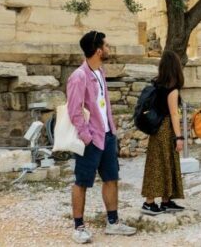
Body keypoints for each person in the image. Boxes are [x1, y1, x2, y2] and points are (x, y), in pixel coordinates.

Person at [66, 30, 136, 243]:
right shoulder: (78, 76)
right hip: (91, 139)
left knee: (111, 178)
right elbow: (74, 111)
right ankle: (78, 227)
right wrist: (86, 137)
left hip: (107, 135)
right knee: (82, 181)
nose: (108, 48)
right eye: (106, 46)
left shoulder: (100, 72)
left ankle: (113, 223)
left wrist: (112, 131)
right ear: (98, 50)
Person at [140, 51, 186, 215]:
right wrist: (179, 137)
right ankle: (149, 202)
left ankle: (166, 201)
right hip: (166, 129)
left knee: (160, 163)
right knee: (162, 164)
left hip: (157, 129)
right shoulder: (172, 89)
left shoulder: (158, 85)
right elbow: (174, 114)